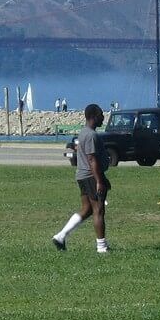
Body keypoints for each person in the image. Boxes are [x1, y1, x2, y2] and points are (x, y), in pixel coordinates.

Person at [53, 103, 110, 254]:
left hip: (82, 176)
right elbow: (92, 159)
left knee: (87, 210)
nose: (103, 118)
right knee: (99, 210)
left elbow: (81, 150)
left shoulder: (83, 133)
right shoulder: (91, 135)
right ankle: (102, 247)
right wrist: (99, 181)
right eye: (101, 115)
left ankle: (60, 236)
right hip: (91, 176)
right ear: (94, 117)